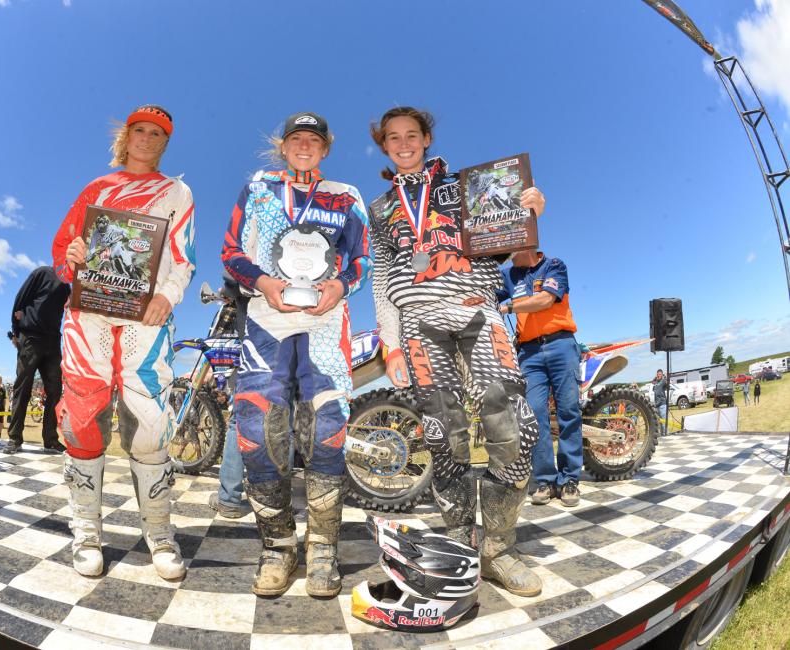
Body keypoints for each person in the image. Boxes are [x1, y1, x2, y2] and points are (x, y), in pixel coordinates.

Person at [367, 107, 544, 597]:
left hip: (475, 308)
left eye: (411, 135)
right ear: (384, 146)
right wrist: (389, 340)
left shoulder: (469, 186)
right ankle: (463, 546)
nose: (403, 144)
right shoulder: (380, 209)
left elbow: (504, 242)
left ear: (426, 138)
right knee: (444, 438)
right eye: (392, 138)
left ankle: (500, 549)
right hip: (418, 322)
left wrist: (527, 210)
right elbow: (382, 278)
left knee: (517, 425)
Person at [222, 112, 370, 597]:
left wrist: (341, 285)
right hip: (267, 318)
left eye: (314, 140)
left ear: (325, 148)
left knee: (327, 430)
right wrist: (263, 282)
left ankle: (323, 548)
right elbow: (231, 252)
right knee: (257, 430)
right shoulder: (259, 187)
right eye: (296, 140)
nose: (304, 146)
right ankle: (278, 546)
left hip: (327, 322)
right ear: (283, 147)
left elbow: (363, 258)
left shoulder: (347, 195)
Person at [52, 104, 195, 580]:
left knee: (152, 422)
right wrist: (72, 256)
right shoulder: (96, 189)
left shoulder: (177, 192)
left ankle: (159, 533)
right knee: (81, 418)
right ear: (126, 136)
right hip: (89, 315)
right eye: (141, 131)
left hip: (146, 320)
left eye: (158, 134)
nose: (148, 139)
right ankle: (86, 531)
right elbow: (64, 249)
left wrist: (169, 297)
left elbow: (183, 257)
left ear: (165, 144)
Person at [498, 250, 583, 508]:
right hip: (529, 352)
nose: (509, 253)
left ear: (528, 244)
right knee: (534, 416)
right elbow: (486, 293)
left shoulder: (554, 265)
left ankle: (569, 479)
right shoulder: (508, 274)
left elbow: (546, 300)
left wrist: (509, 306)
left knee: (568, 410)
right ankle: (545, 480)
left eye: (514, 247)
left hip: (561, 345)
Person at [4, 266, 70, 454]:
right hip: (30, 338)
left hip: (53, 341)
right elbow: (20, 299)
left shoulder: (68, 285)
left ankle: (50, 439)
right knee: (22, 388)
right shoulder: (42, 273)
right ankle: (14, 438)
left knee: (55, 390)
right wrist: (16, 332)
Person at [208, 276, 252, 519]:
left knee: (239, 420)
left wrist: (228, 290)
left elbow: (232, 279)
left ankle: (229, 499)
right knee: (284, 419)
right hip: (296, 338)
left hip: (254, 341)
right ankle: (277, 500)